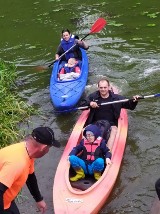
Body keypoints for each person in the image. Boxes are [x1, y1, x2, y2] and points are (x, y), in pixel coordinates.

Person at [0, 126, 60, 214]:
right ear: (43, 148)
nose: (48, 151)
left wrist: (38, 199)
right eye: (49, 148)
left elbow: (30, 176)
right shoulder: (17, 162)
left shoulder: (26, 152)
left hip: (6, 200)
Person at [84, 78, 140, 150]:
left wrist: (134, 100)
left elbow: (130, 105)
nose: (103, 89)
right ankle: (85, 150)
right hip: (95, 122)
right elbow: (83, 103)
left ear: (109, 87)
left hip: (111, 124)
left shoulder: (117, 98)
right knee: (85, 130)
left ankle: (108, 152)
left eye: (105, 87)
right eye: (101, 87)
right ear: (98, 87)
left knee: (113, 131)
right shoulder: (93, 96)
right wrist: (90, 103)